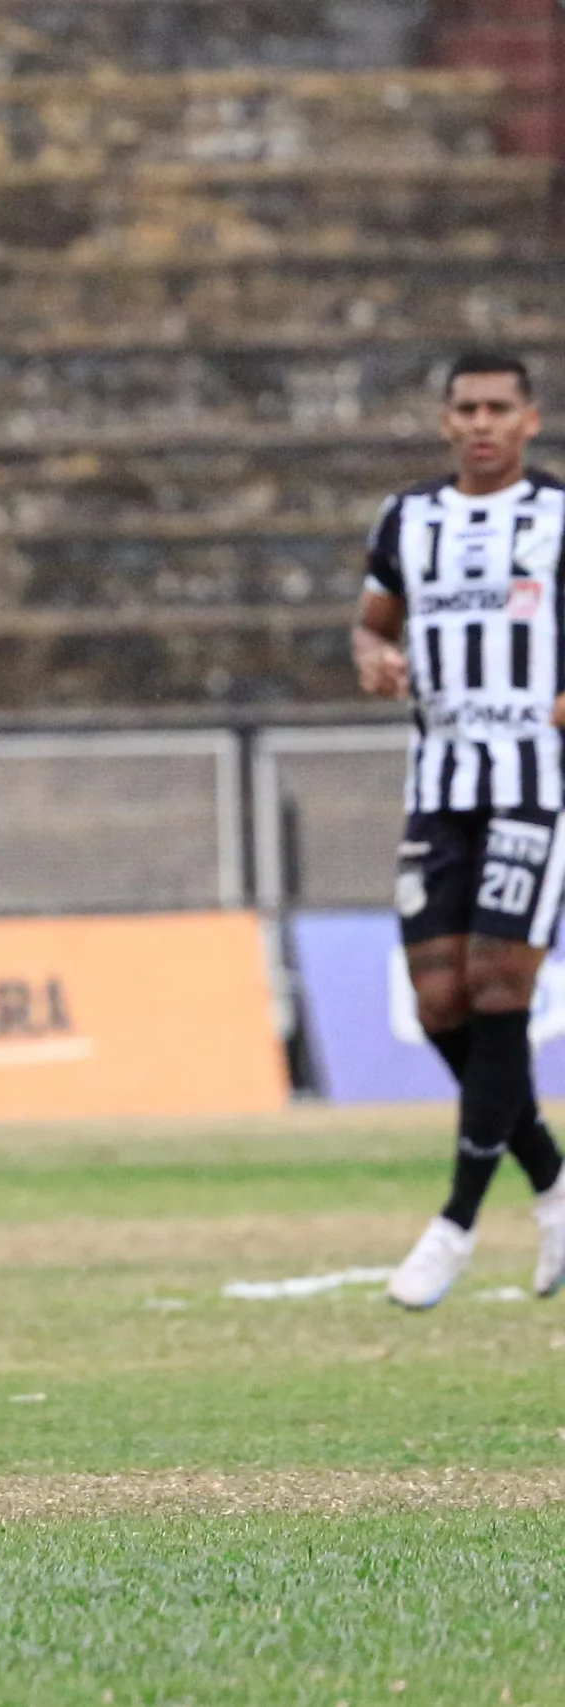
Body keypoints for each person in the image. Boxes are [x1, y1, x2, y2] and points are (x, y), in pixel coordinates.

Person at [352, 350, 565, 1307]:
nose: (482, 423)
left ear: (529, 419)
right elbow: (374, 622)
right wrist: (374, 656)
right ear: (445, 421)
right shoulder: (408, 518)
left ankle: (456, 1223)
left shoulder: (558, 515)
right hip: (438, 785)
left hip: (534, 785)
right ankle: (553, 1181)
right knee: (439, 1000)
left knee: (498, 983)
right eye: (466, 409)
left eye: (498, 408)